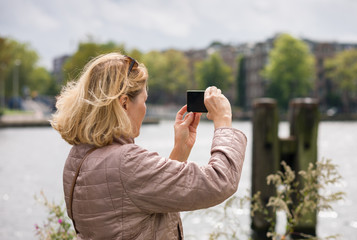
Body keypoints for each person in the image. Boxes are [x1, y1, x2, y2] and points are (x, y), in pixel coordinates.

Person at [51, 52, 247, 240]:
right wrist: (223, 122)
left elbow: (133, 203)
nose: (145, 108)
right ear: (124, 104)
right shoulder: (127, 162)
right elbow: (220, 181)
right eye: (144, 100)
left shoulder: (78, 156)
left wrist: (180, 149)